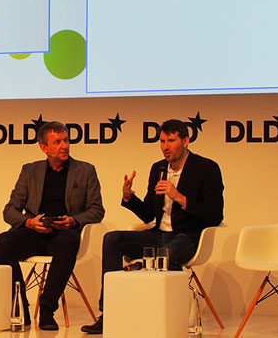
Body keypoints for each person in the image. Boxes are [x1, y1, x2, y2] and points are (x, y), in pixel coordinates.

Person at [80, 118, 223, 335]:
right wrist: (129, 198)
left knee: (168, 253)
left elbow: (214, 215)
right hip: (158, 235)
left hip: (188, 236)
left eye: (171, 141)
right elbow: (149, 214)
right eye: (162, 141)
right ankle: (109, 312)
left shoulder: (206, 168)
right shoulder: (158, 168)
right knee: (112, 239)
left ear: (186, 141)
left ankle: (169, 317)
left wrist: (179, 197)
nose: (165, 147)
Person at [0, 121, 104, 331]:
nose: (64, 146)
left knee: (70, 240)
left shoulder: (85, 170)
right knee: (3, 242)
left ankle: (47, 308)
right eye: (58, 142)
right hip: (34, 233)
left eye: (66, 140)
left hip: (64, 234)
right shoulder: (30, 171)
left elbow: (97, 209)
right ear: (44, 147)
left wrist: (73, 221)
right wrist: (29, 222)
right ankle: (20, 307)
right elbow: (10, 210)